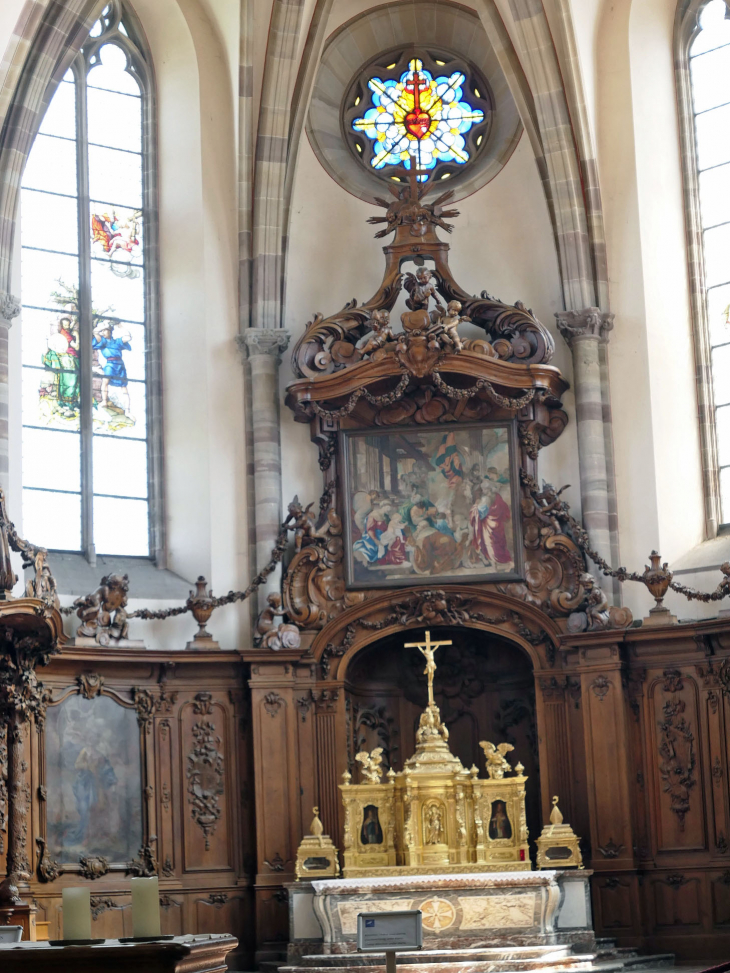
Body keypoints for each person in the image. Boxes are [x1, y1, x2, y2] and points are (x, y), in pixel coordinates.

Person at [92, 322, 132, 416]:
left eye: (105, 330)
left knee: (124, 387)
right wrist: (101, 327)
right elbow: (95, 332)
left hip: (120, 365)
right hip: (110, 364)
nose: (103, 333)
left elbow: (128, 337)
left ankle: (127, 410)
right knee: (105, 382)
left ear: (110, 331)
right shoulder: (102, 341)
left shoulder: (117, 341)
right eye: (102, 331)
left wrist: (120, 325)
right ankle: (104, 401)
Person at [469, 486, 513, 566]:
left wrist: (475, 508)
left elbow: (482, 514)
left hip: (490, 526)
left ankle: (498, 560)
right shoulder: (483, 500)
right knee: (488, 544)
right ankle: (492, 560)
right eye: (476, 492)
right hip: (488, 526)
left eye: (478, 492)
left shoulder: (485, 499)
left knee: (492, 544)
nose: (478, 494)